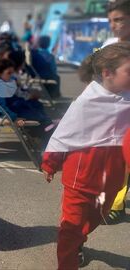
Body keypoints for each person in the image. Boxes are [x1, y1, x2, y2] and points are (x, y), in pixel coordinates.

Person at [41, 42, 130, 269]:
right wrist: (50, 163)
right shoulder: (86, 101)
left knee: (96, 218)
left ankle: (80, 238)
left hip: (111, 181)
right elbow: (65, 134)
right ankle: (68, 259)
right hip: (80, 179)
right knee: (71, 227)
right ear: (107, 73)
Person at [101, 0, 130, 224]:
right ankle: (114, 202)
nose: (114, 25)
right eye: (111, 20)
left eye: (119, 19)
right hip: (111, 109)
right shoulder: (109, 45)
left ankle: (117, 204)